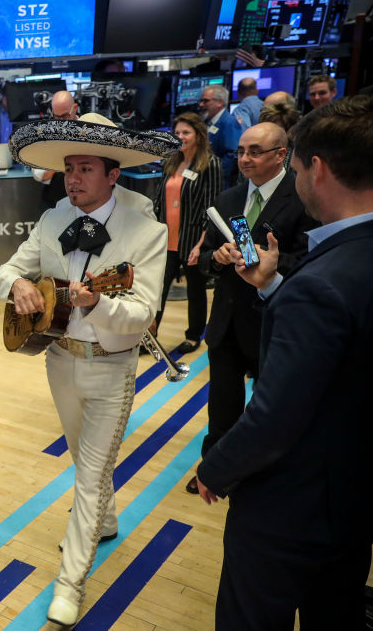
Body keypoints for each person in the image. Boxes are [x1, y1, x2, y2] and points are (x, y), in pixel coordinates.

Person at [196, 96, 373, 629]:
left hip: (294, 507)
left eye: (294, 168)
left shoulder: (320, 283)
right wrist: (271, 283)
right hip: (354, 494)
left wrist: (216, 468)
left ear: (315, 169)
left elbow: (276, 417)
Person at [0, 115, 176, 627]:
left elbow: (143, 314)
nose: (73, 178)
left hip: (112, 368)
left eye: (86, 169)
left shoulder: (146, 231)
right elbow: (7, 268)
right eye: (69, 168)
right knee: (84, 462)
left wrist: (97, 304)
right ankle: (106, 519)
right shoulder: (54, 217)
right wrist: (16, 285)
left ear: (113, 173)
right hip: (57, 360)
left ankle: (69, 583)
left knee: (90, 477)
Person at [183, 122, 315, 494]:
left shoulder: (302, 198)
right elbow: (205, 258)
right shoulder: (228, 200)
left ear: (280, 155)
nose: (244, 158)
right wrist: (218, 257)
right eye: (241, 151)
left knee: (270, 408)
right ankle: (214, 468)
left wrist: (271, 262)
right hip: (226, 320)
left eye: (254, 151)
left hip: (273, 322)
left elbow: (308, 259)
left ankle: (263, 471)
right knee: (221, 405)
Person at [152, 112, 222, 353]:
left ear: (198, 135)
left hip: (193, 239)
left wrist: (201, 244)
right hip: (166, 238)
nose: (180, 137)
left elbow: (211, 207)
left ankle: (193, 336)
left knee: (196, 290)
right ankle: (151, 335)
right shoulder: (171, 160)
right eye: (178, 132)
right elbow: (160, 199)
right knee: (157, 289)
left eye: (186, 132)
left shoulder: (209, 163)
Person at [36, 90, 81, 208]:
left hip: (85, 200)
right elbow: (39, 175)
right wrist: (63, 164)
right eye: (57, 116)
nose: (61, 122)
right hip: (54, 201)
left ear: (74, 108)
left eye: (65, 116)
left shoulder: (89, 130)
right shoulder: (45, 134)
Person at [199, 85, 242, 189]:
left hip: (219, 183)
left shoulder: (229, 122)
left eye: (205, 101)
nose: (201, 104)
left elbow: (232, 155)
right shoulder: (208, 121)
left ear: (220, 102)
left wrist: (213, 174)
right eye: (201, 101)